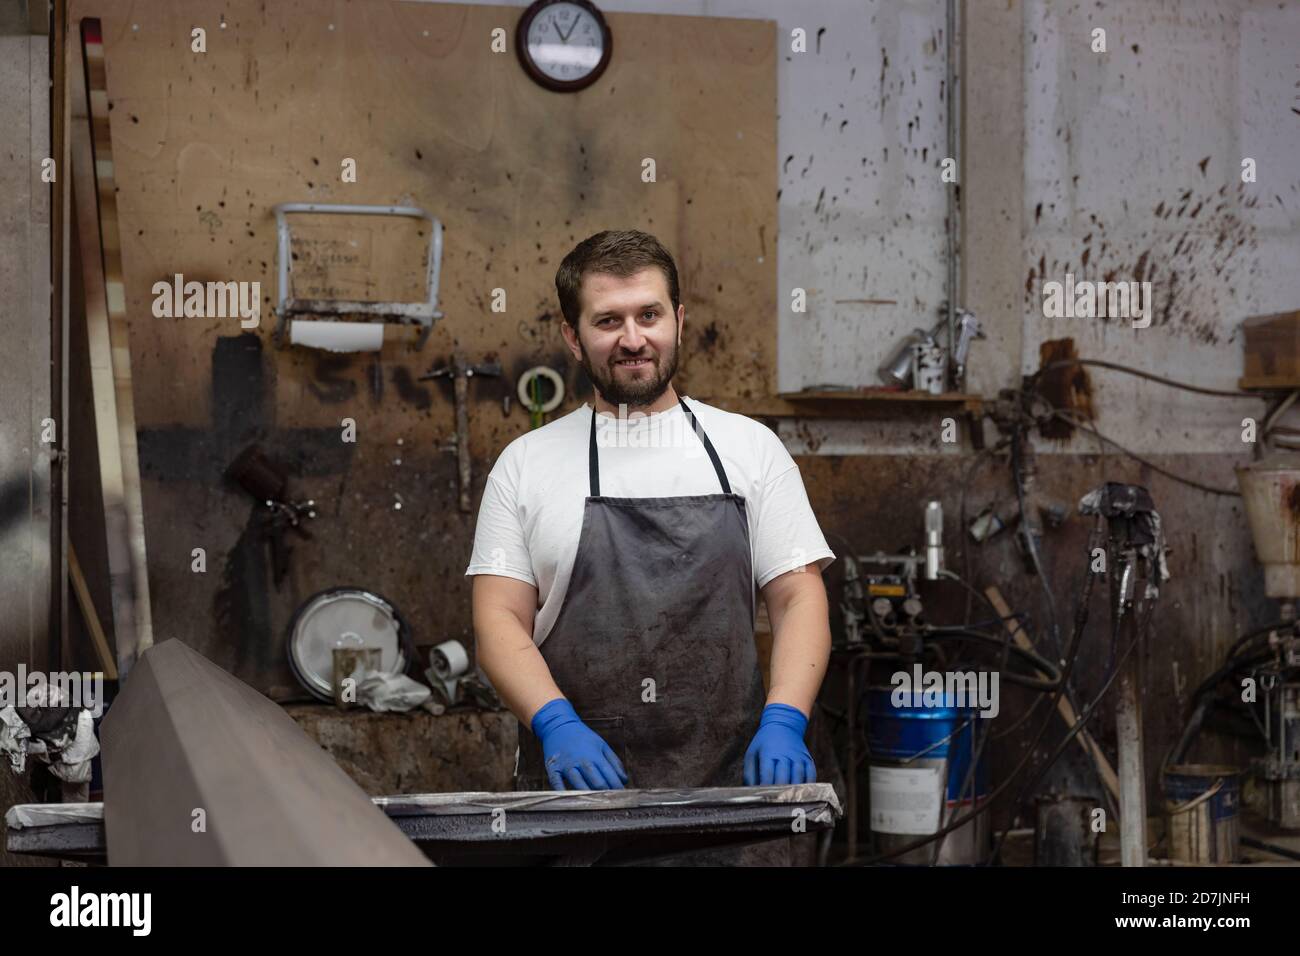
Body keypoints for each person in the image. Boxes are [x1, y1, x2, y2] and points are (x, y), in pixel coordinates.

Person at [466, 230, 834, 864]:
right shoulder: (525, 465)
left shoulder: (749, 450)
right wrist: (555, 724)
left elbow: (798, 596)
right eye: (608, 320)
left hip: (730, 805)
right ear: (573, 336)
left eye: (649, 315)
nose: (633, 339)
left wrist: (785, 719)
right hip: (576, 805)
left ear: (679, 321)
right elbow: (499, 617)